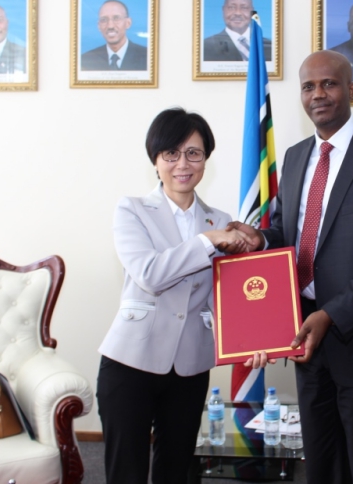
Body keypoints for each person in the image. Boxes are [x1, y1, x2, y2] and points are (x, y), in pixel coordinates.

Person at [229, 50, 353, 483]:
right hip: (307, 339)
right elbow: (288, 232)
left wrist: (331, 314)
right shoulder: (296, 158)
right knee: (321, 465)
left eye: (329, 84)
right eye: (308, 86)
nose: (318, 94)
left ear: (351, 89)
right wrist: (259, 238)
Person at [96, 108, 249, 484]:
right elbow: (150, 274)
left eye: (194, 153)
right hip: (130, 361)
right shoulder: (131, 210)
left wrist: (253, 338)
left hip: (190, 366)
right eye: (171, 153)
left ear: (206, 159)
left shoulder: (220, 219)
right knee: (125, 470)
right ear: (156, 160)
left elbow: (226, 296)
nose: (183, 163)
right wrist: (206, 242)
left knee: (177, 469)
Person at [203, 0, 272, 62]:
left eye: (244, 7)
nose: (238, 13)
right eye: (231, 7)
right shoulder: (206, 47)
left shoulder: (269, 47)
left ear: (252, 12)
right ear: (223, 10)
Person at [81, 0, 148, 71]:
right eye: (104, 20)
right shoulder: (86, 60)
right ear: (98, 26)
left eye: (116, 18)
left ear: (128, 23)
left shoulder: (147, 57)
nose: (110, 26)